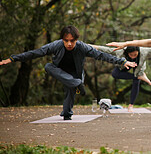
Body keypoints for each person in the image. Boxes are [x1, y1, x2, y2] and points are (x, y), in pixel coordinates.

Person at [0, 25, 137, 120]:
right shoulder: (56, 45)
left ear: (76, 40)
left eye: (72, 41)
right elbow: (35, 53)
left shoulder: (83, 47)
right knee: (48, 66)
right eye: (66, 41)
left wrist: (122, 62)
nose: (69, 44)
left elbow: (101, 55)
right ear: (62, 40)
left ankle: (66, 113)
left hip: (75, 75)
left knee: (71, 91)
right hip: (60, 71)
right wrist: (13, 58)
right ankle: (77, 84)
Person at [90, 44, 151, 112]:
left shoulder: (145, 51)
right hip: (124, 65)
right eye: (131, 55)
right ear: (127, 53)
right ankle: (138, 76)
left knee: (136, 81)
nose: (133, 57)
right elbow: (107, 50)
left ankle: (131, 105)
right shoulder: (120, 51)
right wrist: (90, 46)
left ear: (138, 52)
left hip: (138, 66)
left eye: (135, 55)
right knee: (115, 74)